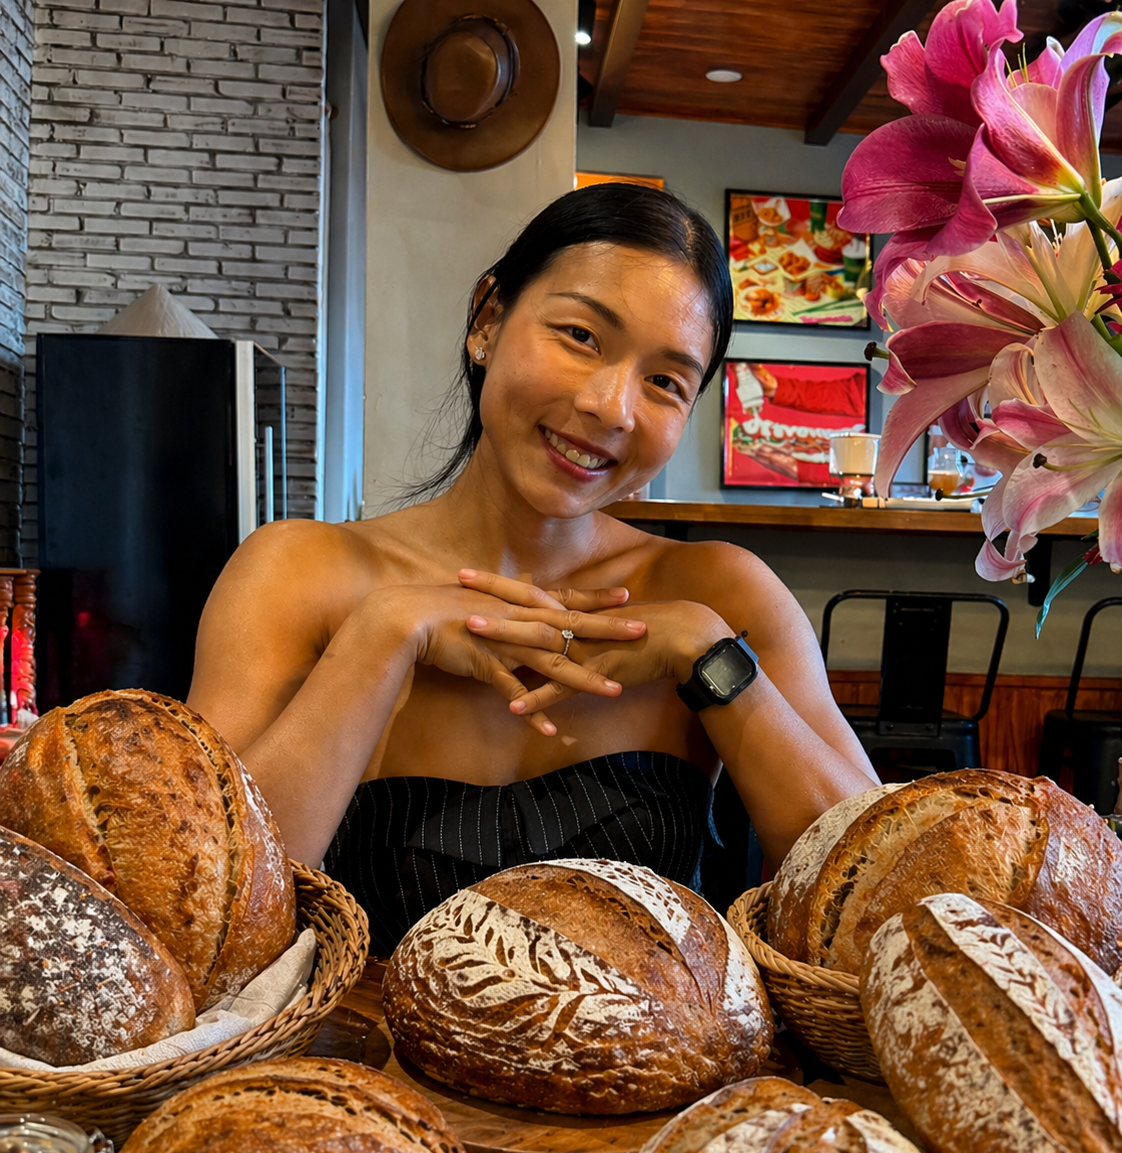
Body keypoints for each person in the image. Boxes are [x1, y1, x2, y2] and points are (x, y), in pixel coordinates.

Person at [188, 184, 878, 953]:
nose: (613, 407)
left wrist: (712, 658)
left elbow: (870, 889)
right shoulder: (295, 573)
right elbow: (211, 910)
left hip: (653, 1066)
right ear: (489, 319)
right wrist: (382, 636)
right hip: (363, 1068)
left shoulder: (722, 592)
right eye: (582, 335)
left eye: (665, 381)